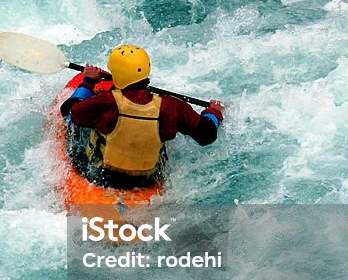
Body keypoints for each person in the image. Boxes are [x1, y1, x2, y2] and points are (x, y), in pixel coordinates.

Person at [59, 44, 224, 189]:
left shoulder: (105, 102)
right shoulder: (171, 105)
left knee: (74, 127)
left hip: (101, 176)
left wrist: (88, 82)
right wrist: (214, 112)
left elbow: (70, 111)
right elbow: (206, 134)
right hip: (147, 181)